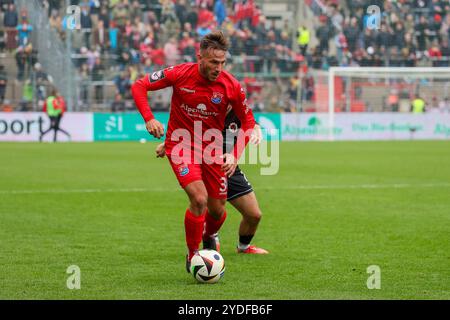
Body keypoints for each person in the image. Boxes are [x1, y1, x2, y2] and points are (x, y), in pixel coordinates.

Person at [131, 31, 257, 273]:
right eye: (213, 62)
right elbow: (140, 85)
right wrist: (149, 119)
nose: (218, 68)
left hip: (212, 149)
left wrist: (234, 154)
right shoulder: (180, 73)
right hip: (181, 145)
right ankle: (193, 255)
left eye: (222, 63)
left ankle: (210, 237)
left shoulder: (231, 85)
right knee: (199, 199)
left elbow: (249, 123)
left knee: (218, 211)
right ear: (200, 57)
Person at [155, 107, 268, 254]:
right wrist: (167, 144)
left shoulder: (237, 109)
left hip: (229, 167)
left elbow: (251, 121)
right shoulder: (206, 110)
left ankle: (243, 247)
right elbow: (186, 129)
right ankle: (209, 234)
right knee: (212, 207)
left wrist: (256, 128)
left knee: (254, 215)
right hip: (205, 166)